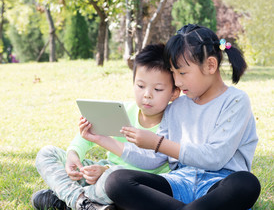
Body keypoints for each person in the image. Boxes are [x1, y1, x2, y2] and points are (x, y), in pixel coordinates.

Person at [101, 24, 261, 210]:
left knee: (246, 183)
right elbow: (154, 158)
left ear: (210, 65)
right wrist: (102, 139)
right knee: (116, 181)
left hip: (218, 186)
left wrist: (157, 142)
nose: (177, 82)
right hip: (179, 182)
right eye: (173, 73)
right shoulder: (176, 107)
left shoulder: (235, 101)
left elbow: (215, 157)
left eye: (182, 72)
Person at [32, 43, 180, 210]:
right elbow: (90, 133)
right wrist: (73, 154)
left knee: (112, 178)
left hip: (130, 184)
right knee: (47, 153)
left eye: (158, 89)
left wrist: (106, 169)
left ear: (174, 92)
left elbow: (149, 163)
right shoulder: (123, 111)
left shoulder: (171, 123)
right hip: (100, 174)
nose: (147, 94)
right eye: (140, 86)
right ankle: (81, 202)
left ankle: (66, 199)